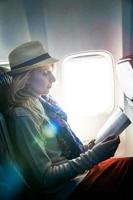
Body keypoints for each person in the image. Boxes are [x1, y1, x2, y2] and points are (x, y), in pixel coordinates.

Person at [5, 41, 133, 200]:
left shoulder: (44, 103)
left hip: (74, 178)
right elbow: (44, 178)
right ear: (26, 79)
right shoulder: (23, 116)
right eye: (45, 74)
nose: (53, 79)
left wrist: (90, 147)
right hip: (64, 190)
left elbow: (61, 150)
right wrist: (94, 156)